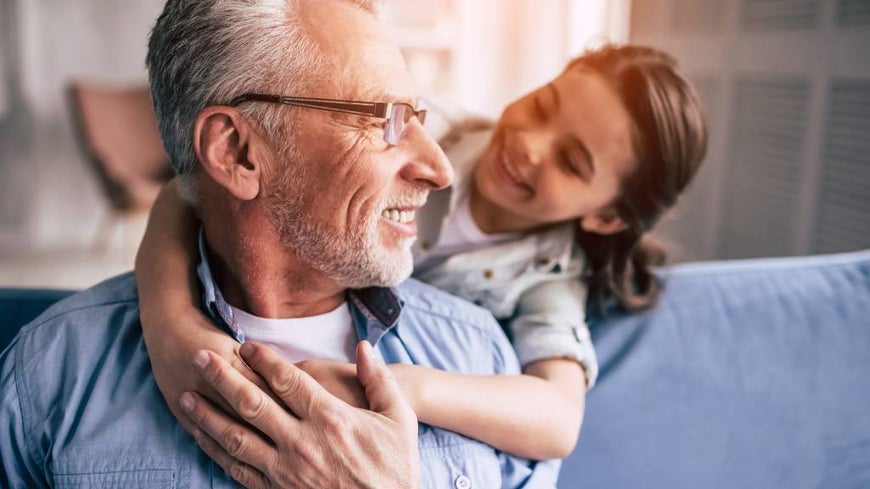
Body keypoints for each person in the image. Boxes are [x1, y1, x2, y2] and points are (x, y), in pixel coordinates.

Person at [0, 0, 562, 487]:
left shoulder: (478, 358)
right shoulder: (54, 374)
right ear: (239, 153)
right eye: (386, 120)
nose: (439, 170)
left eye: (417, 116)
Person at [135, 43, 709, 468]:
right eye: (543, 105)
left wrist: (404, 386)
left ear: (605, 217)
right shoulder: (420, 124)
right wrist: (173, 331)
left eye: (572, 162)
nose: (531, 145)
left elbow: (557, 420)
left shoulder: (549, 277)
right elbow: (188, 190)